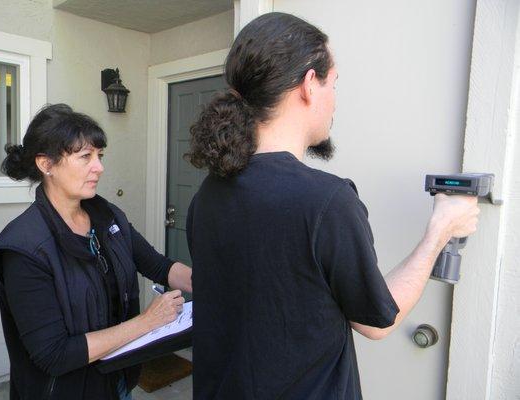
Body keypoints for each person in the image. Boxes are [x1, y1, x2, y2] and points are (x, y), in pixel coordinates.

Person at [185, 12, 480, 399]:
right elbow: (377, 321)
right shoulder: (326, 200)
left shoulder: (208, 193)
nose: (335, 100)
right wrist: (439, 231)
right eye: (333, 84)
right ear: (309, 85)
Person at [0, 104, 192, 400]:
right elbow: (54, 354)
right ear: (46, 164)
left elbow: (158, 266)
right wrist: (147, 322)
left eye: (100, 156)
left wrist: (210, 284)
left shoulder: (108, 217)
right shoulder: (24, 248)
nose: (99, 167)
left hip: (118, 380)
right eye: (85, 157)